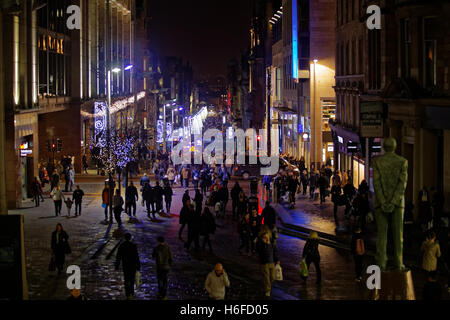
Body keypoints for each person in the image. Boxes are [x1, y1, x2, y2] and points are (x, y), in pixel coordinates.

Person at [115, 233, 141, 300]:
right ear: (130, 238)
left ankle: (128, 294)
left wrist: (117, 265)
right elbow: (136, 257)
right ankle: (131, 294)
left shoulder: (122, 245)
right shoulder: (133, 246)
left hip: (125, 265)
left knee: (126, 280)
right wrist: (138, 266)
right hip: (133, 266)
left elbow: (118, 256)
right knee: (132, 280)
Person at [256, 231, 279, 297]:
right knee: (267, 277)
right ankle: (267, 290)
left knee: (273, 277)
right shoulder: (261, 244)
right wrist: (264, 244)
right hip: (265, 263)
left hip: (272, 263)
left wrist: (277, 259)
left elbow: (275, 252)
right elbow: (260, 252)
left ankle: (266, 286)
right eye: (265, 237)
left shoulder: (272, 243)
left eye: (267, 236)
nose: (267, 238)